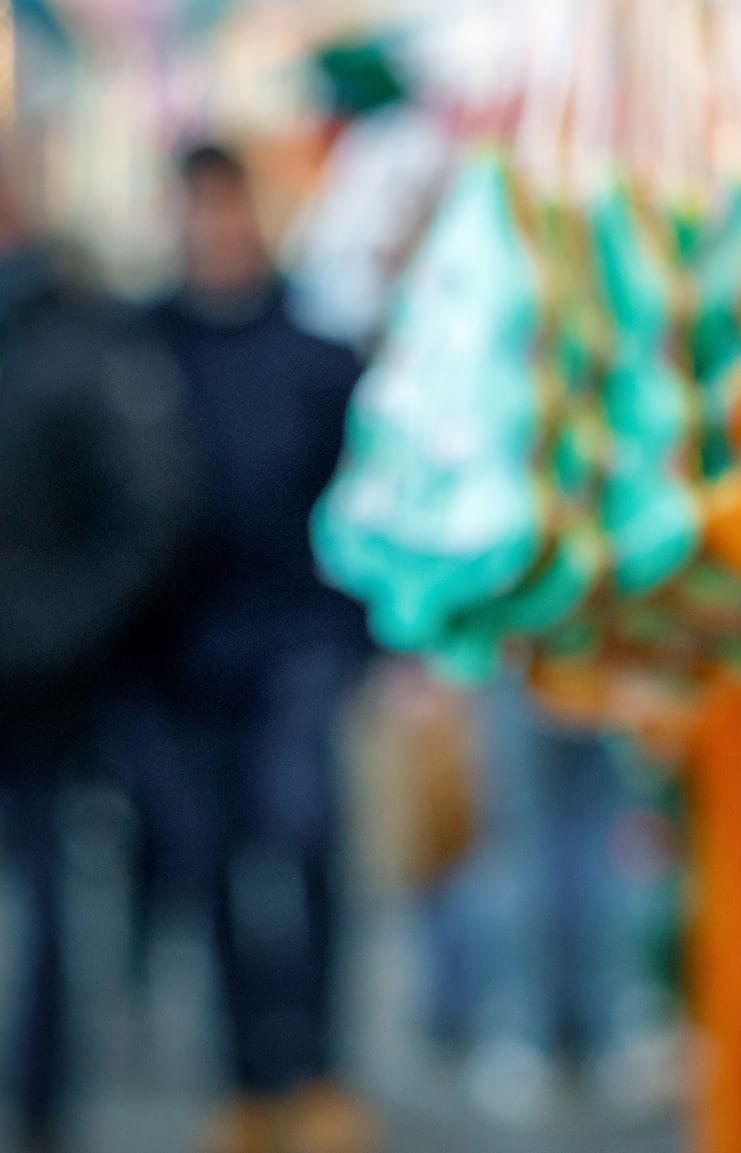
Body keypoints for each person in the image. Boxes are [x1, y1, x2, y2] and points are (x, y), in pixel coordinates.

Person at [140, 143, 372, 1153]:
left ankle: (318, 1067)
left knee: (308, 843)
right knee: (217, 866)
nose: (216, 231)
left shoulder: (317, 353)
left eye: (229, 210)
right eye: (200, 213)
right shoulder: (143, 349)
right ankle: (244, 1075)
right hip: (183, 656)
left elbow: (359, 507)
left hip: (300, 642)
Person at [0, 148, 190, 1152]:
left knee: (47, 901)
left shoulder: (77, 337)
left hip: (48, 683)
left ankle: (39, 1100)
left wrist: (52, 630)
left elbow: (146, 507)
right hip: (48, 659)